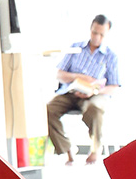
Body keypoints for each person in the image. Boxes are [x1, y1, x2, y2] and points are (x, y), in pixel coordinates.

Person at [46, 15, 120, 165]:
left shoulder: (110, 56)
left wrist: (94, 91)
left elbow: (113, 86)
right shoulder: (76, 48)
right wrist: (78, 77)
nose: (97, 37)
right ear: (90, 29)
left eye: (101, 34)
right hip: (70, 93)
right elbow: (59, 74)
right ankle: (67, 149)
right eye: (94, 32)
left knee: (95, 109)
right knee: (48, 109)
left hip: (94, 95)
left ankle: (95, 149)